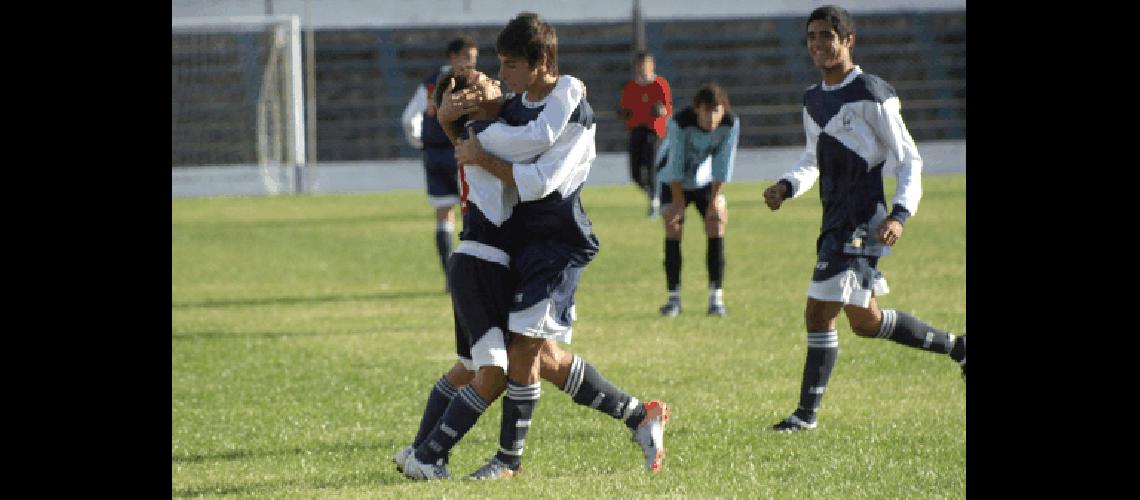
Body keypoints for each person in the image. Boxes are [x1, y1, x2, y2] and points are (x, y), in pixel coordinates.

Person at [396, 16, 670, 481]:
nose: (498, 75)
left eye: (507, 65)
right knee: (540, 358)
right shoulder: (518, 107)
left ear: (541, 63)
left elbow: (538, 180)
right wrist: (454, 125)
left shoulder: (570, 110)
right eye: (494, 67)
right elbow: (486, 139)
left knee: (520, 352)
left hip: (556, 244)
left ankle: (504, 461)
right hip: (518, 249)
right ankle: (639, 414)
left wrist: (462, 132)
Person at [761, 5, 966, 432]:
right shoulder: (813, 98)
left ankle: (805, 416)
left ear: (848, 41)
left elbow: (909, 159)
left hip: (862, 222)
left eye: (827, 36)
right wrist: (786, 186)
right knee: (866, 322)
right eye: (812, 36)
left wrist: (900, 214)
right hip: (833, 219)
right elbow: (811, 156)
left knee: (818, 312)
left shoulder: (872, 93)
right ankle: (959, 347)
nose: (818, 44)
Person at [400, 36, 479, 290]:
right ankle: (471, 272)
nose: (471, 62)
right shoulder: (470, 83)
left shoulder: (430, 84)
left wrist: (420, 141)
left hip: (433, 155)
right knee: (472, 210)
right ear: (454, 57)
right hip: (460, 152)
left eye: (473, 58)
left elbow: (408, 118)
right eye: (467, 57)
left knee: (444, 212)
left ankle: (450, 275)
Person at [655, 82, 739, 318]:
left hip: (703, 181)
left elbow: (723, 165)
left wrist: (714, 201)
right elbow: (675, 166)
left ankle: (716, 299)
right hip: (672, 180)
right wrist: (678, 206)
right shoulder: (679, 124)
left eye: (717, 110)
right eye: (707, 110)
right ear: (697, 110)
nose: (712, 117)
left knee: (717, 223)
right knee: (673, 228)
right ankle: (673, 300)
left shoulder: (730, 124)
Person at [618, 51, 672, 218]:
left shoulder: (660, 84)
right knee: (635, 173)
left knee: (650, 165)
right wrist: (623, 114)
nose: (642, 68)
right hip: (635, 130)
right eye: (640, 65)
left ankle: (655, 201)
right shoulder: (631, 87)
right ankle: (653, 194)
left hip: (653, 130)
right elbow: (626, 108)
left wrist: (661, 111)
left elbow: (667, 108)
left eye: (646, 64)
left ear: (652, 65)